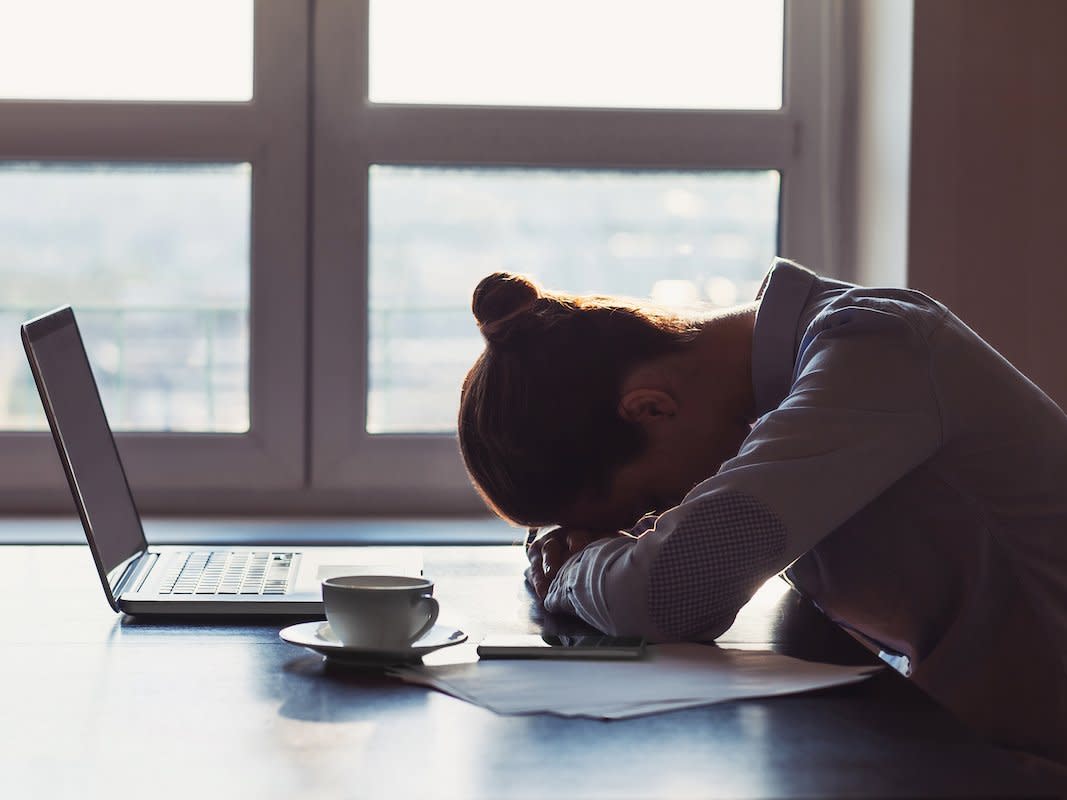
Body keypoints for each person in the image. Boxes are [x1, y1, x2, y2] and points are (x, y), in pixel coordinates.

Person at [457, 259, 1067, 762]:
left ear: (649, 409)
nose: (654, 523)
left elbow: (672, 592)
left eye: (647, 504)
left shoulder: (876, 353)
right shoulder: (797, 378)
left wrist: (575, 568)